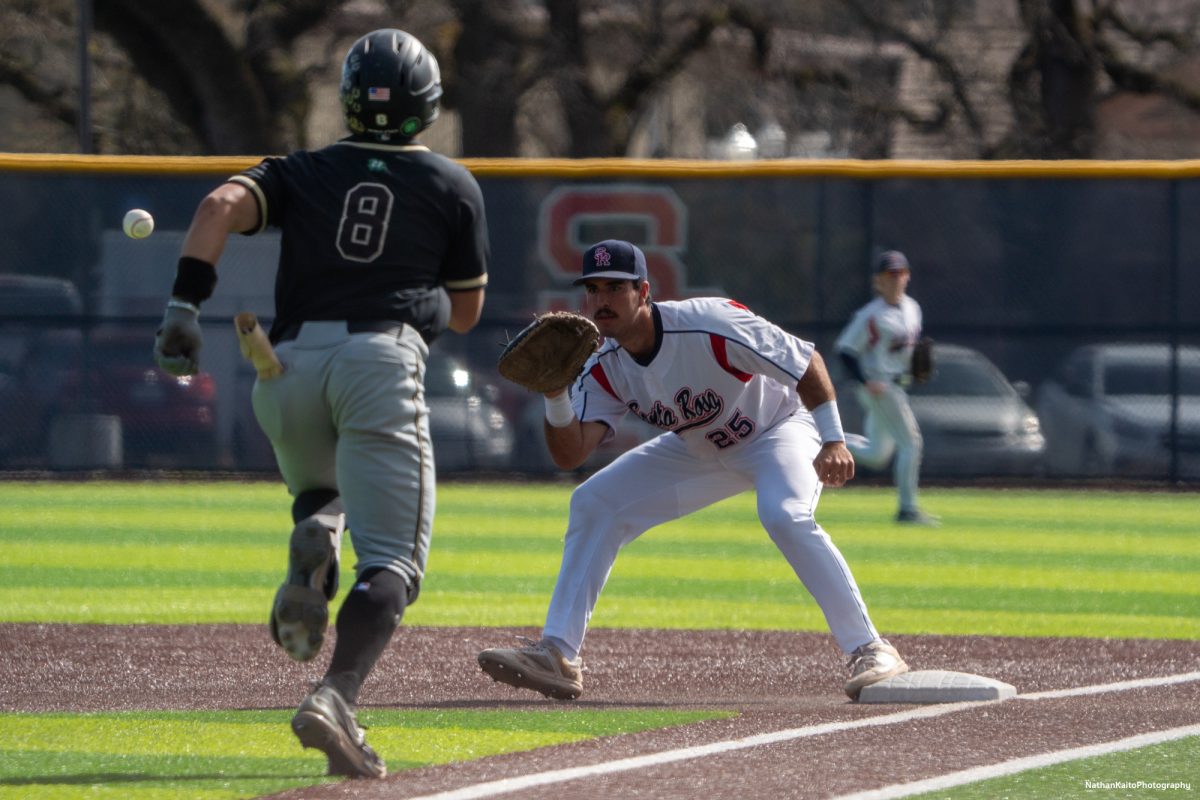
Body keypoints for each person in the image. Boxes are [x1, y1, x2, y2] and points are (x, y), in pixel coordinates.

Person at [152, 29, 489, 778]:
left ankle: (317, 535)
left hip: (284, 364)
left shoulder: (299, 170)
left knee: (323, 491)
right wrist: (421, 302)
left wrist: (183, 307)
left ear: (345, 99)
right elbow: (463, 316)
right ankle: (336, 696)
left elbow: (218, 205)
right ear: (427, 107)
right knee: (395, 563)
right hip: (378, 359)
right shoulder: (452, 185)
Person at [477, 240, 907, 702]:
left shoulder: (709, 324)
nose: (602, 300)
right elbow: (570, 454)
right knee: (593, 501)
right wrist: (555, 395)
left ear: (643, 292)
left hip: (778, 429)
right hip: (699, 448)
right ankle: (558, 654)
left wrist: (834, 438)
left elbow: (806, 362)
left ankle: (870, 647)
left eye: (615, 288)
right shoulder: (601, 365)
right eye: (593, 289)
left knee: (784, 514)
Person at [835, 250, 937, 526]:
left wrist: (914, 365)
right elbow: (845, 350)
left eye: (899, 273)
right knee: (911, 443)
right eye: (888, 275)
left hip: (897, 385)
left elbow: (909, 350)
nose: (894, 279)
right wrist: (866, 382)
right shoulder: (870, 316)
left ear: (907, 276)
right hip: (879, 387)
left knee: (877, 454)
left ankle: (823, 440)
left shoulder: (913, 308)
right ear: (878, 281)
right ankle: (907, 509)